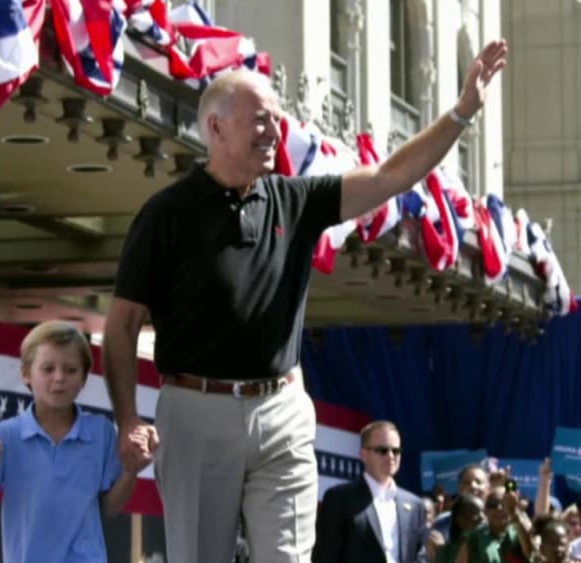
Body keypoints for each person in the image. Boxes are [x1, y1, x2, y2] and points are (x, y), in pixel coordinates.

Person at [102, 34, 509, 561]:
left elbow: (390, 175)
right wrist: (127, 420)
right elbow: (121, 326)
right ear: (216, 127)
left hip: (282, 411)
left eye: (277, 118)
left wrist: (461, 112)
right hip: (195, 413)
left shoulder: (296, 200)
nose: (275, 130)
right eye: (260, 119)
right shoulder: (166, 214)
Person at [0, 321, 142, 563]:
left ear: (84, 378)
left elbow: (109, 507)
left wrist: (130, 472)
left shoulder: (102, 432)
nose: (59, 378)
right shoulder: (6, 435)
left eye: (71, 370)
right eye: (48, 369)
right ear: (26, 374)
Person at [314, 420, 427, 563]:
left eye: (396, 451)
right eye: (382, 450)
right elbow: (326, 555)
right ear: (363, 454)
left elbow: (419, 556)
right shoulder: (339, 499)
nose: (391, 456)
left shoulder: (415, 505)